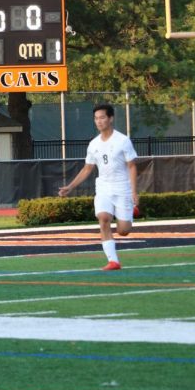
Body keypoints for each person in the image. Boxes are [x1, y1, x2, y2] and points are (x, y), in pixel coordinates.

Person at [58, 103, 138, 271]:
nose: (99, 121)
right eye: (96, 118)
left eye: (102, 117)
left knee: (123, 231)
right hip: (103, 188)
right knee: (103, 219)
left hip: (122, 188)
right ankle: (113, 261)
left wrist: (133, 191)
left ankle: (130, 211)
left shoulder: (123, 141)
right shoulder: (93, 144)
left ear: (110, 118)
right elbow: (88, 168)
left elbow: (132, 166)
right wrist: (70, 187)